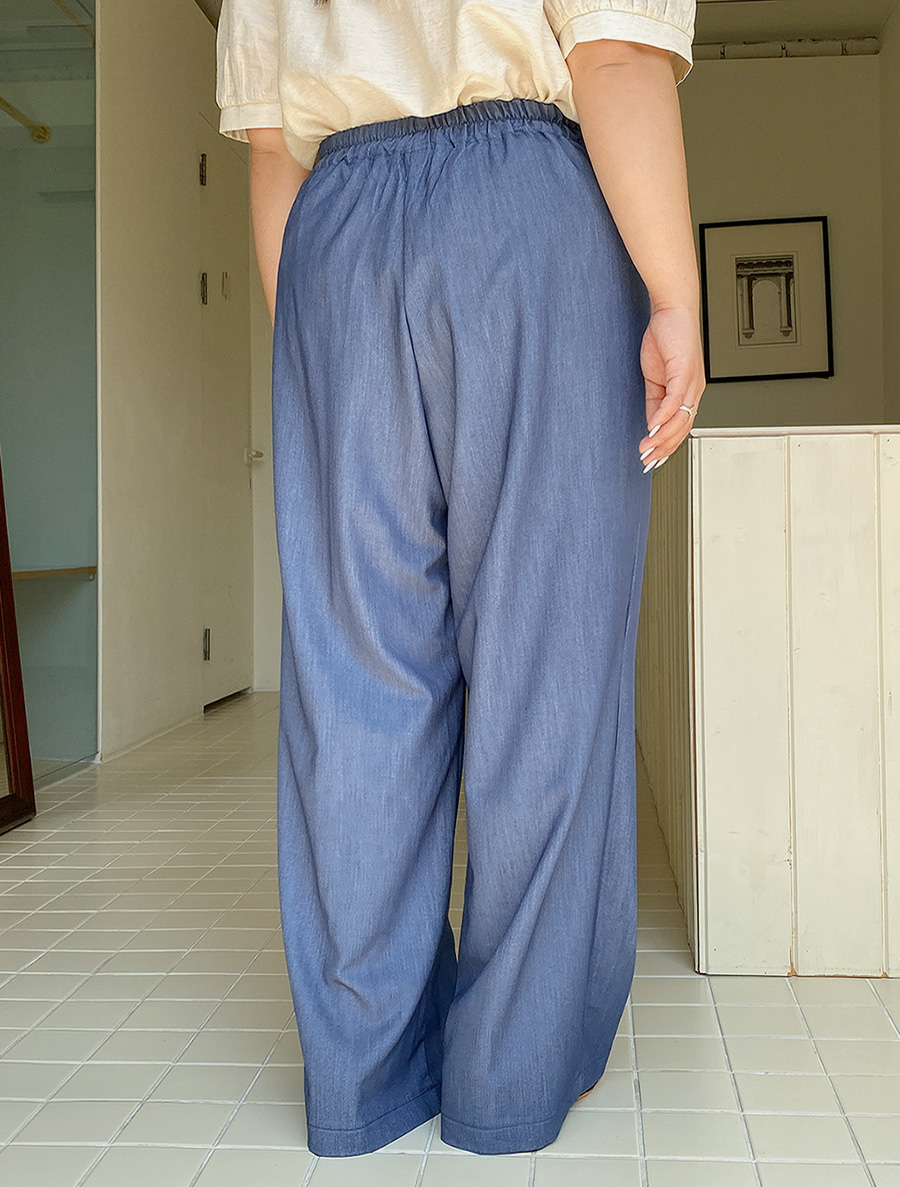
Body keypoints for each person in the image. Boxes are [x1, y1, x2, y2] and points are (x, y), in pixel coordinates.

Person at [216, 0, 705, 1159]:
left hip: (334, 226)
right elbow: (613, 51)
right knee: (548, 664)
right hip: (526, 211)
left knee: (355, 679)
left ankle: (366, 1071)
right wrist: (676, 297)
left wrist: (323, 351)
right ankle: (512, 1074)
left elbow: (272, 145)